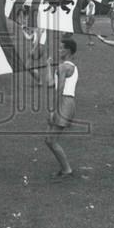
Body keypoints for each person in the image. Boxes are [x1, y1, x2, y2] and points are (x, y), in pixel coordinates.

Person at [44, 37, 79, 180]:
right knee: (48, 139)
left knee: (51, 140)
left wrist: (53, 109)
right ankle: (65, 169)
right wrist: (47, 66)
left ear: (68, 50)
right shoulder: (67, 66)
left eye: (61, 48)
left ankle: (67, 170)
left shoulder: (64, 67)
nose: (59, 50)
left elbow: (60, 88)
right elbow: (51, 84)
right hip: (66, 102)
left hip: (64, 102)